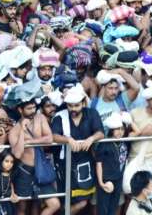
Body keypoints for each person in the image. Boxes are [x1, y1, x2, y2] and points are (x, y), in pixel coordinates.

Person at [51, 84, 105, 214]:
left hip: (86, 162)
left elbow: (100, 132)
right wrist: (68, 140)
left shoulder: (92, 113)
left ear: (83, 103)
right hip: (65, 165)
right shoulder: (60, 116)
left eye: (76, 105)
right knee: (68, 199)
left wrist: (91, 139)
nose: (73, 108)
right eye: (70, 106)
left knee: (84, 202)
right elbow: (54, 136)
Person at [8, 98, 60, 215]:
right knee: (22, 207)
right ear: (20, 110)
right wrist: (22, 129)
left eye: (34, 108)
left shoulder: (40, 118)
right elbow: (17, 153)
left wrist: (29, 142)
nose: (33, 111)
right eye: (29, 108)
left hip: (40, 169)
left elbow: (49, 138)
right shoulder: (14, 130)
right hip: (24, 171)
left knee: (54, 204)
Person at [95, 111, 131, 215]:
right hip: (106, 179)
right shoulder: (104, 144)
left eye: (122, 129)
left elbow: (136, 132)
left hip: (118, 179)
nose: (120, 132)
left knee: (113, 207)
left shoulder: (125, 141)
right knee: (103, 209)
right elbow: (99, 164)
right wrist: (101, 182)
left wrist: (125, 117)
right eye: (117, 129)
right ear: (112, 130)